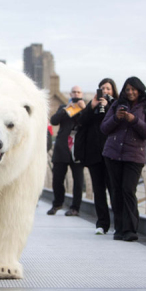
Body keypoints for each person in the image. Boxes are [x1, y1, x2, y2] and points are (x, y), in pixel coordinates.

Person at [100, 77, 146, 243]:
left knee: (128, 190)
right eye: (127, 89)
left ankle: (130, 229)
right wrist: (116, 117)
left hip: (134, 156)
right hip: (112, 154)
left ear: (140, 90)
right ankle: (119, 228)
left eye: (134, 89)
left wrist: (134, 120)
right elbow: (104, 128)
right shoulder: (116, 105)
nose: (130, 92)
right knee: (116, 191)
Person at [75, 78, 119, 235]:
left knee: (113, 189)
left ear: (113, 90)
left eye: (108, 88)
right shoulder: (92, 106)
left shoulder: (117, 105)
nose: (105, 91)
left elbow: (116, 123)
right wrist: (91, 106)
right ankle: (102, 224)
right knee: (98, 191)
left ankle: (118, 224)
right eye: (102, 88)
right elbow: (80, 122)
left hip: (111, 154)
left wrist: (108, 107)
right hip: (94, 154)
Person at [47, 86, 85, 217]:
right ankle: (57, 203)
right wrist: (66, 109)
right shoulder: (64, 107)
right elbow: (54, 121)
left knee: (78, 181)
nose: (76, 94)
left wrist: (83, 109)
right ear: (70, 94)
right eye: (74, 92)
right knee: (57, 179)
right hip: (62, 147)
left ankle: (75, 208)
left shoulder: (85, 108)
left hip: (78, 148)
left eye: (78, 92)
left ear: (82, 94)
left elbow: (88, 123)